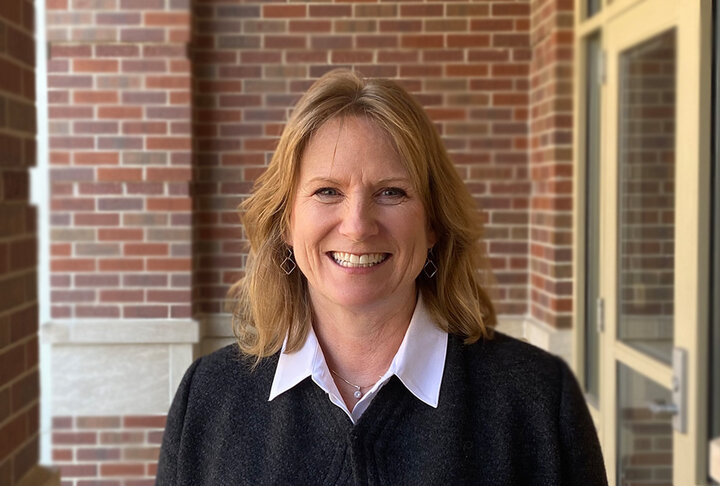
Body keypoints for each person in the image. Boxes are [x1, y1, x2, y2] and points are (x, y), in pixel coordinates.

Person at [156, 69, 607, 485]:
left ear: (433, 223)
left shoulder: (539, 402)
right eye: (327, 191)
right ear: (285, 223)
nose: (357, 225)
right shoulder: (208, 399)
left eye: (391, 192)